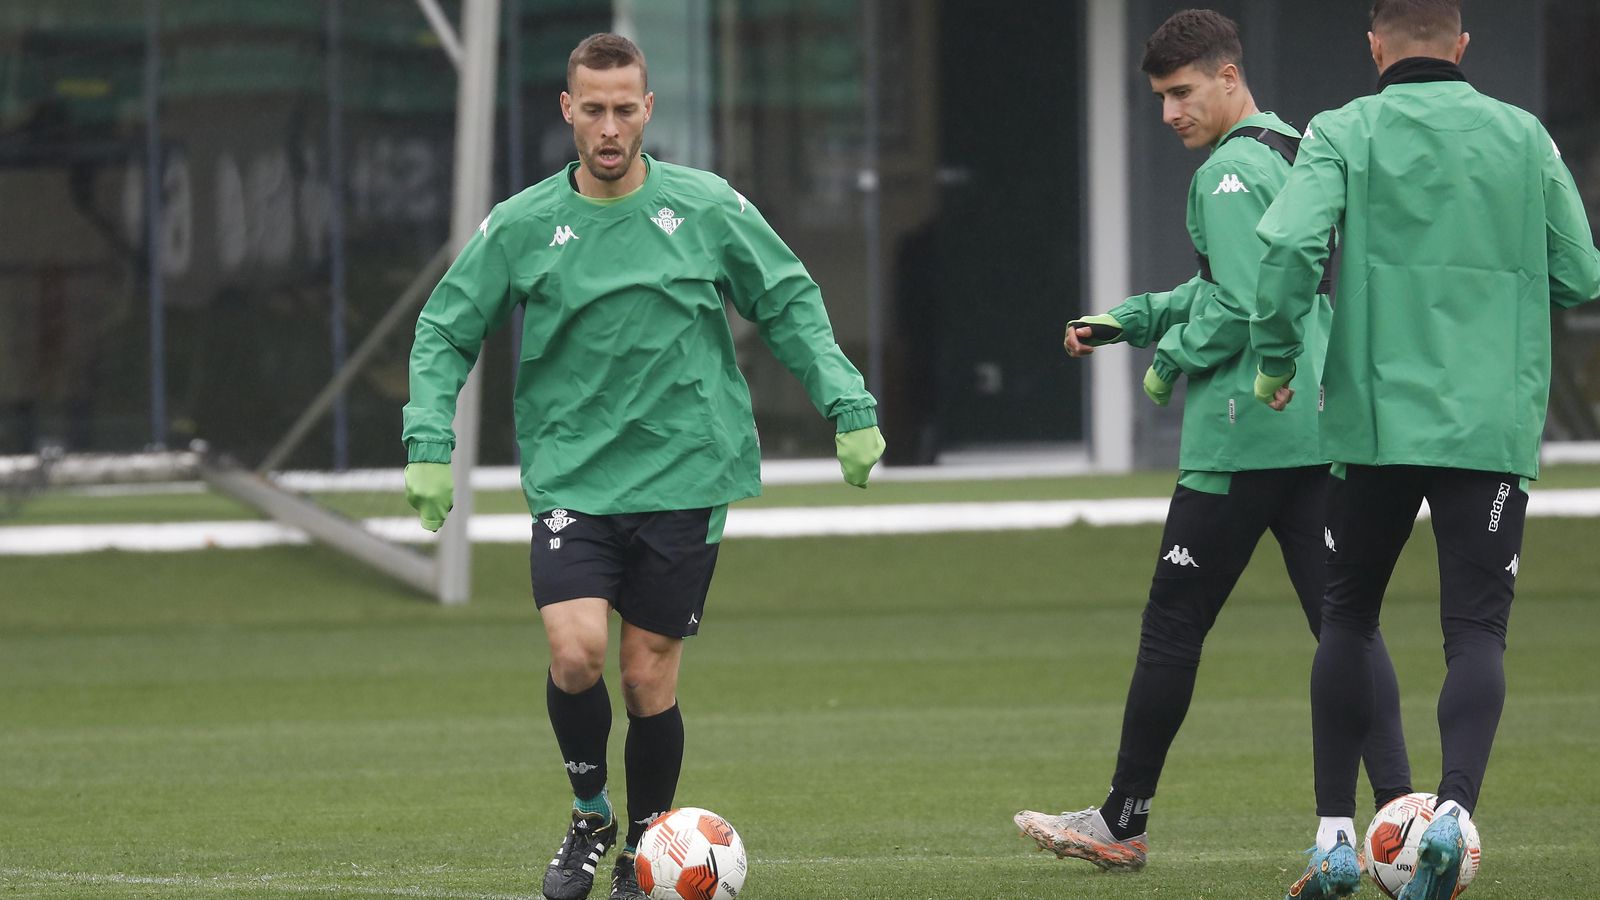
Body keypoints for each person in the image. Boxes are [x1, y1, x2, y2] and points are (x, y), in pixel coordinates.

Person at [401, 33, 885, 900]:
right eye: (593, 109)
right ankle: (591, 816)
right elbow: (445, 327)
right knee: (576, 652)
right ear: (568, 110)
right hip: (573, 476)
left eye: (625, 109)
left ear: (648, 109)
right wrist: (429, 441)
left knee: (645, 675)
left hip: (685, 471)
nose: (609, 127)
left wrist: (847, 404)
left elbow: (787, 300)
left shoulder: (706, 206)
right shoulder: (522, 224)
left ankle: (647, 847)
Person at [1014, 9, 1412, 873]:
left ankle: (1122, 819)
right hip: (1318, 427)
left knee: (1174, 624)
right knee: (1347, 627)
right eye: (1160, 98)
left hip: (1242, 437)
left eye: (1182, 93)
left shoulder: (1227, 172)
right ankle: (1406, 821)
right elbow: (1244, 284)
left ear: (1229, 76)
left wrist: (1167, 363)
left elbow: (1237, 305)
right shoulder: (1296, 148)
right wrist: (1133, 319)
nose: (1169, 113)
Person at [1248, 1, 1600, 897]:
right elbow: (1580, 272)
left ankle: (1334, 837)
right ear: (1462, 45)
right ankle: (1452, 814)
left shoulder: (1341, 130)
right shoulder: (1524, 136)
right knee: (1476, 631)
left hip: (1375, 423)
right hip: (1488, 423)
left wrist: (1277, 357)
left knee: (1348, 617)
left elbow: (1287, 244)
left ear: (1375, 48)